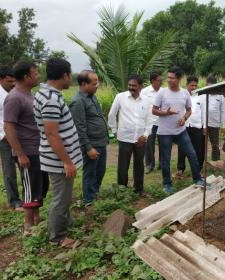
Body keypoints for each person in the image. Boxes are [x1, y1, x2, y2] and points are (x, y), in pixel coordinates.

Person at [34, 58, 82, 248]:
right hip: (58, 159)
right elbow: (52, 133)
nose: (72, 79)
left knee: (64, 195)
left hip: (56, 158)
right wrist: (67, 161)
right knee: (61, 198)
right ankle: (58, 237)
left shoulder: (45, 93)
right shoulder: (51, 100)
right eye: (71, 75)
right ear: (64, 75)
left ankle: (64, 223)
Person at [4, 61, 49, 236]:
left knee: (39, 186)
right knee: (30, 188)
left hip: (37, 149)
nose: (38, 76)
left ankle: (36, 219)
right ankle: (28, 226)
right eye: (35, 73)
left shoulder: (29, 95)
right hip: (27, 151)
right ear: (26, 77)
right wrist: (20, 154)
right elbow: (9, 127)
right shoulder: (15, 98)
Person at [152, 66, 204, 194]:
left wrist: (184, 118)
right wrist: (166, 113)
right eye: (168, 77)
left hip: (180, 131)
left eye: (172, 78)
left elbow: (189, 110)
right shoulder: (162, 93)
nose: (169, 80)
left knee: (192, 154)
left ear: (179, 79)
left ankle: (197, 179)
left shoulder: (185, 93)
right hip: (165, 133)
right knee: (166, 160)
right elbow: (154, 110)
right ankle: (167, 184)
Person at [108, 74, 152, 194]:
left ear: (141, 86)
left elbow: (150, 120)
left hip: (140, 139)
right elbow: (111, 115)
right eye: (130, 85)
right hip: (124, 138)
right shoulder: (120, 97)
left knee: (139, 165)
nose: (131, 87)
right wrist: (115, 131)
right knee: (123, 165)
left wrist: (146, 135)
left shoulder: (147, 100)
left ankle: (139, 189)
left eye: (134, 85)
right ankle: (122, 189)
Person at [69, 70, 109, 204]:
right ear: (84, 84)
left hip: (101, 142)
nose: (97, 85)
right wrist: (88, 148)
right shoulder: (78, 101)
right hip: (92, 144)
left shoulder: (91, 96)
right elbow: (79, 128)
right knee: (90, 172)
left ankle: (94, 193)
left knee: (100, 170)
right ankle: (88, 199)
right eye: (94, 83)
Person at [0, 66, 23, 210]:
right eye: (9, 81)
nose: (13, 84)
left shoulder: (17, 93)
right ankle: (14, 201)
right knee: (9, 170)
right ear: (0, 79)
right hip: (4, 140)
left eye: (14, 81)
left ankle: (29, 196)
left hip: (21, 137)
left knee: (25, 166)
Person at [176, 76, 205, 177]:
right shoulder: (181, 95)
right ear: (187, 85)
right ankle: (180, 169)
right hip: (184, 126)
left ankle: (198, 169)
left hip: (197, 126)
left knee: (198, 149)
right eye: (191, 85)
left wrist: (204, 126)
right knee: (182, 148)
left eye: (195, 86)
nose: (193, 87)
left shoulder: (201, 97)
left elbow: (204, 112)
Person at [201, 75, 225, 161]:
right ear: (206, 84)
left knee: (215, 145)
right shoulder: (203, 94)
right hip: (202, 124)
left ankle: (216, 162)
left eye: (212, 86)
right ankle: (202, 163)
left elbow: (224, 111)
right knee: (201, 144)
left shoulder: (220, 96)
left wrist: (223, 126)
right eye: (209, 85)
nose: (211, 88)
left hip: (214, 124)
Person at [141, 71, 163, 174]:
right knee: (149, 145)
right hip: (149, 123)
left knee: (163, 144)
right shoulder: (145, 92)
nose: (161, 82)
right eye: (159, 80)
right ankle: (149, 165)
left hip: (162, 122)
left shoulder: (164, 91)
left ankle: (162, 164)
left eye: (161, 80)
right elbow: (141, 106)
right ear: (153, 81)